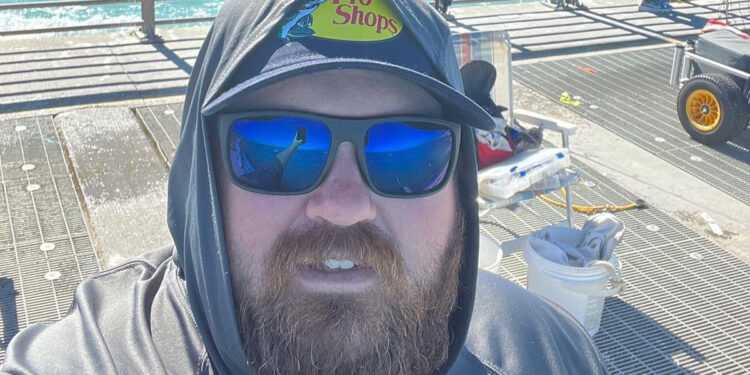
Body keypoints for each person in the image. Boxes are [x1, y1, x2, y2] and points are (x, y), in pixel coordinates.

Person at [0, 0, 608, 374]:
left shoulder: (544, 354)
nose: (344, 206)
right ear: (201, 184)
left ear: (456, 191)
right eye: (277, 149)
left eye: (409, 151)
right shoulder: (93, 361)